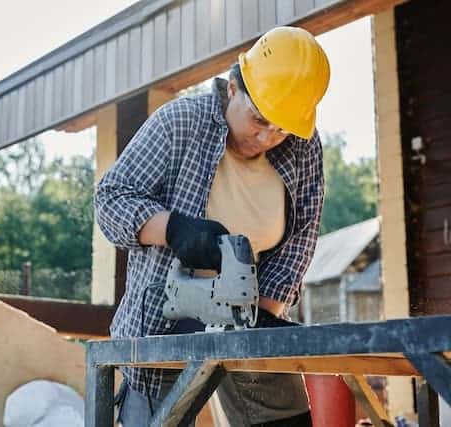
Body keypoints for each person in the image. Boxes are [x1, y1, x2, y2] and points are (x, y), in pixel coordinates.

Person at [95, 26, 330, 426]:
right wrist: (173, 229)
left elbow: (299, 240)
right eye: (259, 119)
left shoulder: (304, 149)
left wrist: (260, 323)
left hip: (249, 315)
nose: (267, 135)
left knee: (284, 416)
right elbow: (111, 200)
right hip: (162, 321)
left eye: (281, 128)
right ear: (234, 88)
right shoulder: (180, 123)